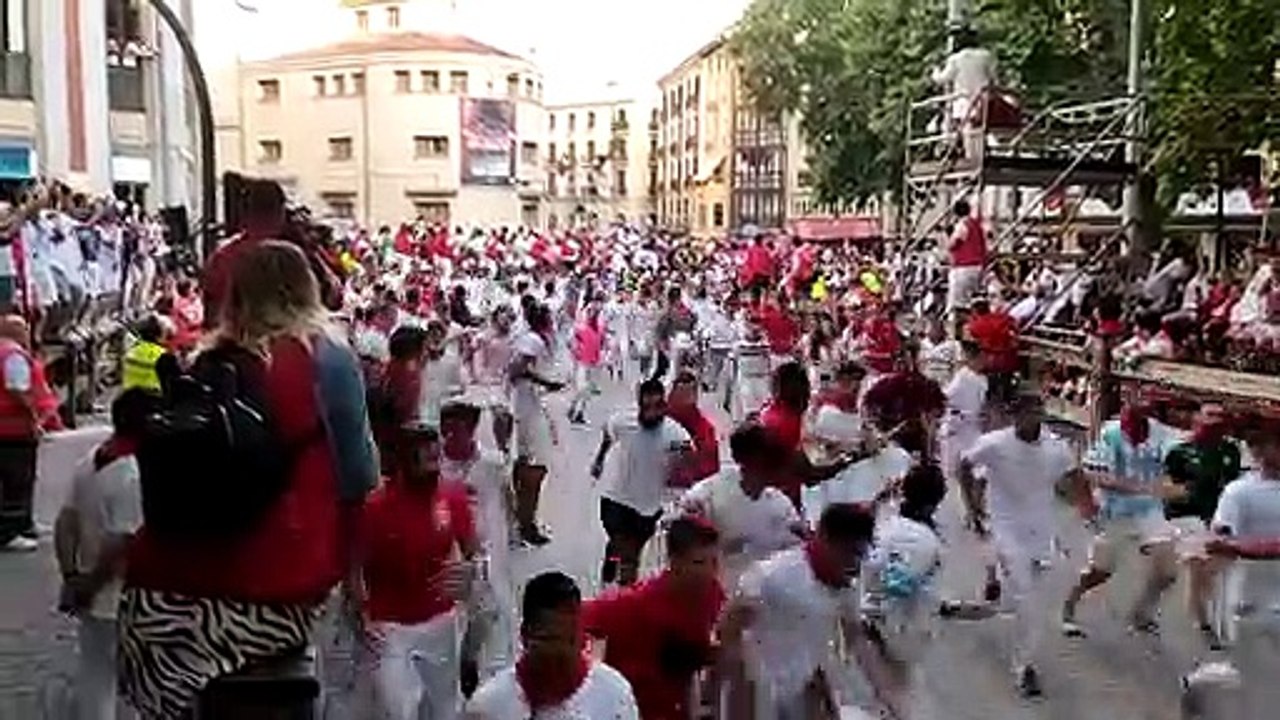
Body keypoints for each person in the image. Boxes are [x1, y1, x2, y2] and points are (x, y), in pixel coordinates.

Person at [119, 241, 378, 719]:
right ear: (307, 289)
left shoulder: (204, 362)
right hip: (279, 588)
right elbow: (358, 477)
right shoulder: (327, 357)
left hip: (170, 602)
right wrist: (356, 577)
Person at [719, 503, 897, 719]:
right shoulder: (772, 576)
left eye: (859, 554)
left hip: (800, 691)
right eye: (848, 552)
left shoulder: (844, 586)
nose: (853, 563)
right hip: (758, 693)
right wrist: (734, 689)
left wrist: (888, 698)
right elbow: (728, 628)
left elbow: (855, 638)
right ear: (824, 539)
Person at [959, 393, 1076, 697]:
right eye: (1026, 412)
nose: (1033, 418)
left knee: (1033, 599)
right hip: (1005, 528)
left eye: (1037, 412)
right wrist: (971, 507)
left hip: (1042, 532)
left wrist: (1087, 509)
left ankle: (996, 581)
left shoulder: (1056, 448)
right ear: (1014, 416)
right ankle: (1024, 667)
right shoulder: (995, 444)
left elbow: (1072, 477)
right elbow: (964, 465)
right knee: (1026, 598)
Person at [362, 423, 480, 720]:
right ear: (403, 458)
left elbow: (473, 551)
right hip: (391, 628)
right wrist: (363, 617)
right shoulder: (374, 507)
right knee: (397, 710)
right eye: (423, 453)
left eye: (434, 453)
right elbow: (354, 568)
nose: (432, 461)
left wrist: (471, 573)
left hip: (440, 623)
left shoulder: (452, 497)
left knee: (444, 709)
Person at [54, 390, 154, 720]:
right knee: (138, 682)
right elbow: (121, 542)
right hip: (120, 595)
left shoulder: (92, 460)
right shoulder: (132, 474)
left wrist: (71, 575)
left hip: (91, 590)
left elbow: (65, 522)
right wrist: (91, 584)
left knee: (96, 676)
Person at [582, 516, 726, 720]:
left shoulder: (713, 595)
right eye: (699, 563)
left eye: (714, 562)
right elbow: (580, 619)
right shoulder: (635, 603)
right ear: (674, 561)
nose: (709, 571)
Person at [1062, 398, 1182, 638]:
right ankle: (1070, 604)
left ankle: (1142, 613)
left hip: (1149, 511)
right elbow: (1093, 472)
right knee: (1101, 571)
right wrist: (1136, 486)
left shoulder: (1160, 434)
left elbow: (1177, 459)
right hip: (1114, 512)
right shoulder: (1112, 434)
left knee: (1167, 571)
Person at [465, 571, 640, 719]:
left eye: (570, 640)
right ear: (525, 636)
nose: (561, 652)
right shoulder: (489, 706)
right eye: (550, 640)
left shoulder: (615, 695)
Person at [438, 398, 518, 685]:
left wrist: (508, 533)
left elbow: (508, 499)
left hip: (483, 551)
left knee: (486, 611)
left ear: (472, 429)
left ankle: (469, 658)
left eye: (459, 428)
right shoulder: (434, 466)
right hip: (445, 549)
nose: (452, 436)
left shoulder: (492, 464)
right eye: (447, 429)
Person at [1206, 419, 1280, 720]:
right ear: (1258, 450)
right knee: (1247, 680)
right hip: (1247, 599)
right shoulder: (1239, 492)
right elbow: (1218, 541)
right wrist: (1258, 549)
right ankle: (1201, 687)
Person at [679, 422, 805, 591]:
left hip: (764, 601)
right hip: (716, 599)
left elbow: (794, 554)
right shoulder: (706, 497)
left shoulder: (781, 505)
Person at [592, 378, 692, 586]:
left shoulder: (675, 434)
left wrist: (682, 466)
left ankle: (614, 561)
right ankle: (622, 597)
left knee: (630, 549)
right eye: (646, 407)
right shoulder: (622, 421)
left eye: (657, 407)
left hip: (649, 505)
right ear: (638, 403)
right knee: (627, 553)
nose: (651, 413)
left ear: (664, 405)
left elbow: (689, 461)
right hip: (616, 497)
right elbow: (607, 434)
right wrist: (599, 460)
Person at [1164, 404, 1242, 649]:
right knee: (1197, 566)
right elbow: (1167, 486)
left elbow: (1231, 485)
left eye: (1221, 418)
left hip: (1216, 517)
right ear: (1197, 418)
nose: (1215, 421)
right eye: (1210, 415)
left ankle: (1207, 610)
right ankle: (1203, 622)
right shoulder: (1179, 450)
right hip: (1186, 517)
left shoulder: (1230, 450)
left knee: (1214, 571)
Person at [0, 314, 62, 553]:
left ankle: (24, 523)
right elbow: (18, 388)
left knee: (20, 478)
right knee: (17, 480)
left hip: (10, 427)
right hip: (13, 427)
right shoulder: (12, 355)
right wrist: (34, 412)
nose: (28, 332)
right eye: (24, 328)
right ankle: (10, 532)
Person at [508, 303, 563, 546]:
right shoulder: (532, 340)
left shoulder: (534, 339)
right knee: (535, 468)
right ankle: (526, 522)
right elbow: (517, 369)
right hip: (530, 409)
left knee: (525, 465)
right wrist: (547, 383)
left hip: (530, 407)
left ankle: (521, 517)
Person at [941, 340, 988, 516]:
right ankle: (970, 509)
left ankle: (977, 506)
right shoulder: (962, 377)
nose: (984, 362)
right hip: (959, 429)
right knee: (964, 473)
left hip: (975, 429)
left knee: (981, 472)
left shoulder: (982, 380)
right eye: (981, 358)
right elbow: (945, 398)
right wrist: (957, 416)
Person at [666, 370, 720, 490]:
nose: (684, 400)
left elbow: (710, 469)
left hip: (692, 488)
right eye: (680, 395)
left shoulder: (705, 428)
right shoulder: (659, 420)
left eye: (688, 395)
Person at [945, 200, 988, 313]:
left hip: (963, 267)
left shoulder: (962, 225)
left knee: (958, 304)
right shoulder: (977, 226)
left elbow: (952, 244)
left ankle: (957, 327)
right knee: (971, 302)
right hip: (978, 267)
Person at [121, 314, 179, 395]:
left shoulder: (130, 352)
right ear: (159, 335)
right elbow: (175, 384)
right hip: (155, 401)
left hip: (129, 399)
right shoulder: (163, 356)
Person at [567, 302, 605, 424]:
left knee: (587, 390)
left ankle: (579, 413)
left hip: (594, 362)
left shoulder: (600, 328)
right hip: (583, 362)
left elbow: (601, 343)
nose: (592, 314)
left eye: (595, 312)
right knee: (581, 388)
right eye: (590, 312)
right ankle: (573, 407)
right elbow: (570, 341)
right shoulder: (580, 328)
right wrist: (576, 350)